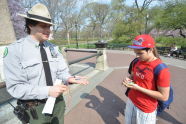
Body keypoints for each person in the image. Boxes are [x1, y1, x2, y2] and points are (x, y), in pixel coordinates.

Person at [3, 3, 89, 124]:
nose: (48, 30)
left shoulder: (53, 48)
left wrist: (70, 78)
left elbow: (61, 72)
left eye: (49, 26)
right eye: (43, 26)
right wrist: (47, 91)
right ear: (30, 25)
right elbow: (15, 87)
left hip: (57, 103)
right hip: (35, 109)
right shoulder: (14, 51)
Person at [122, 34, 170, 124]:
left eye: (140, 53)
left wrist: (138, 88)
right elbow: (132, 76)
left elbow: (164, 96)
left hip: (146, 108)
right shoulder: (136, 62)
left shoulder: (161, 69)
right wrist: (128, 80)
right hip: (131, 100)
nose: (137, 56)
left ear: (151, 50)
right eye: (135, 53)